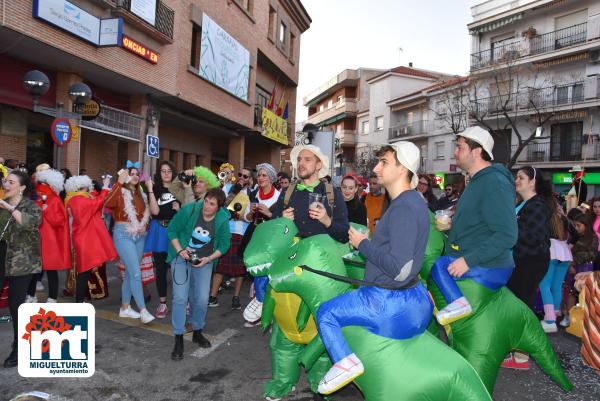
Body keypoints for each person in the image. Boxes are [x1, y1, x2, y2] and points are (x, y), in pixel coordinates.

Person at [316, 142, 431, 394]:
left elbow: (399, 269)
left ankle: (346, 363)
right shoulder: (411, 202)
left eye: (385, 162)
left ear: (403, 169)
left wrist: (362, 243)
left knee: (326, 313)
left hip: (389, 301)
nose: (377, 168)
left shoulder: (404, 206)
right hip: (410, 297)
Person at [431, 126, 517, 326]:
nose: (454, 152)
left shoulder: (494, 181)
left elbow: (507, 235)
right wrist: (451, 228)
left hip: (490, 266)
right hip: (478, 260)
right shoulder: (477, 181)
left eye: (459, 147)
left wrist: (468, 261)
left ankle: (459, 304)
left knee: (440, 266)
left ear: (477, 152)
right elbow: (479, 226)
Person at [167, 188, 231, 360]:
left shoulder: (223, 220)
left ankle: (197, 330)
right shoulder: (190, 210)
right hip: (181, 257)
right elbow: (172, 230)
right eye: (206, 201)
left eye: (212, 204)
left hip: (204, 260)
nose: (207, 206)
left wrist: (208, 258)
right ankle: (178, 337)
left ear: (218, 207)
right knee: (180, 298)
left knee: (202, 299)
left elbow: (224, 245)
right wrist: (180, 250)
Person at [501, 166, 552, 370]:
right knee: (517, 306)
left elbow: (535, 237)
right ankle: (517, 351)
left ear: (532, 182)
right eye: (516, 177)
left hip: (529, 262)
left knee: (522, 307)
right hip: (520, 261)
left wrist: (509, 230)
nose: (517, 180)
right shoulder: (524, 204)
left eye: (521, 177)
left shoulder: (537, 205)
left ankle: (522, 356)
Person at [0, 170, 42, 367]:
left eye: (11, 182)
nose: (6, 185)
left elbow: (30, 223)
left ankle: (19, 348)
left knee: (16, 305)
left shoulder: (31, 206)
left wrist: (8, 207)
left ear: (22, 187)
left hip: (22, 262)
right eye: (5, 181)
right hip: (2, 257)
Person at [104, 164, 154, 323]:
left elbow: (147, 214)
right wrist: (118, 182)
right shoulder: (119, 191)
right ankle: (143, 310)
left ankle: (125, 308)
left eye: (136, 174)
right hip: (123, 234)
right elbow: (107, 203)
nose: (134, 176)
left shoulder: (141, 195)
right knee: (135, 273)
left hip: (139, 236)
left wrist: (144, 225)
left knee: (131, 273)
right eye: (131, 173)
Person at [209, 164, 255, 309]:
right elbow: (222, 206)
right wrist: (235, 191)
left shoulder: (251, 194)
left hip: (241, 233)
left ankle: (236, 297)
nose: (242, 178)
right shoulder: (228, 188)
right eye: (240, 175)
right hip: (226, 230)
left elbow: (249, 217)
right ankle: (213, 296)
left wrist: (243, 217)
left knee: (239, 269)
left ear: (249, 179)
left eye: (245, 176)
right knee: (220, 266)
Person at [65, 175, 117, 303]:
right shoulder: (77, 200)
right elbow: (96, 203)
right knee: (84, 270)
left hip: (86, 237)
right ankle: (79, 301)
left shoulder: (79, 198)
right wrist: (104, 188)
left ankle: (80, 300)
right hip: (84, 238)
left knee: (86, 270)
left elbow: (96, 203)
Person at [31, 166, 71, 303]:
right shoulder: (54, 198)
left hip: (37, 238)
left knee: (34, 269)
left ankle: (31, 295)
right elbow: (60, 221)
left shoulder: (35, 195)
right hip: (50, 240)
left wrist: (46, 211)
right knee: (51, 270)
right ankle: (52, 297)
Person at [145, 161, 179, 319]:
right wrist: (151, 191)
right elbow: (155, 211)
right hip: (159, 230)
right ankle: (163, 303)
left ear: (173, 172)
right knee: (161, 269)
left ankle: (182, 302)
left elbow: (189, 210)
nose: (166, 173)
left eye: (169, 171)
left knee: (178, 268)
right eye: (163, 171)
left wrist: (180, 207)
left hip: (176, 230)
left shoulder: (180, 188)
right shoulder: (155, 189)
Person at [538, 198, 572, 334]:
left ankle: (550, 320)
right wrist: (569, 245)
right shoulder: (563, 218)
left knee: (545, 286)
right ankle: (554, 313)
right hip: (564, 252)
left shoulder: (545, 219)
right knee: (556, 286)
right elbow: (575, 234)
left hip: (551, 251)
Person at [562, 212, 597, 328]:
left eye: (578, 225)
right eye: (574, 225)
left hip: (584, 268)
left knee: (584, 293)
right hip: (571, 267)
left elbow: (592, 254)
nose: (576, 228)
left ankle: (585, 318)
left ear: (586, 225)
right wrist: (570, 264)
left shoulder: (592, 237)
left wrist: (573, 261)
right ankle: (569, 316)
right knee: (570, 291)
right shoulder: (572, 236)